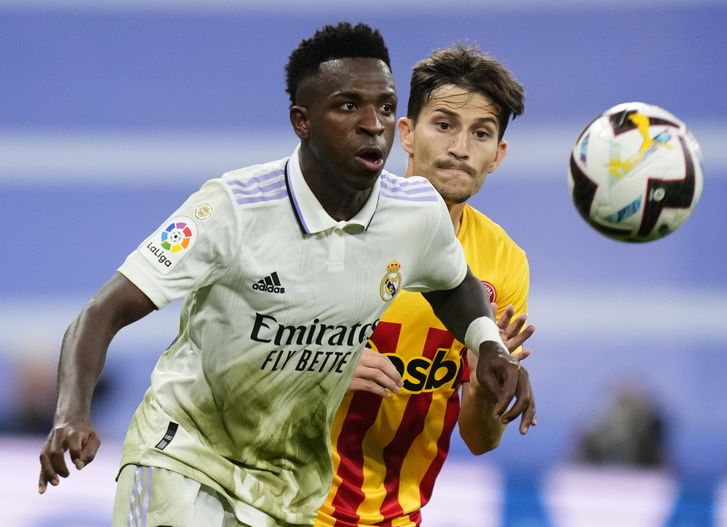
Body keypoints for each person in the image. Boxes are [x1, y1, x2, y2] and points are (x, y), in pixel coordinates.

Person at [36, 22, 535, 527]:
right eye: (348, 107)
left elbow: (456, 285)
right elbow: (101, 312)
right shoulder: (230, 207)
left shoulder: (418, 217)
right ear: (303, 121)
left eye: (384, 107)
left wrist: (488, 344)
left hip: (288, 494)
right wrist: (71, 413)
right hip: (185, 460)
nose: (372, 124)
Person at [316, 44, 535, 527]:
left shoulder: (503, 263)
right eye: (444, 125)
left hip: (397, 517)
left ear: (498, 155)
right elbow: (235, 366)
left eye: (481, 133)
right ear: (408, 134)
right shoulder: (329, 223)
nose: (460, 148)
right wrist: (320, 366)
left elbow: (481, 441)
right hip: (286, 505)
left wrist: (484, 389)